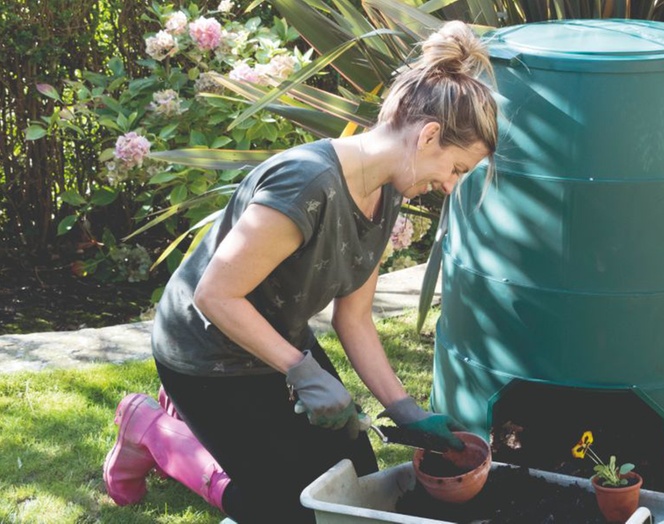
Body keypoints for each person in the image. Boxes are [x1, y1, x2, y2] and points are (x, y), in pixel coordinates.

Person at [102, 20, 498, 523]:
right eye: (456, 169)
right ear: (429, 136)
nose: (449, 186)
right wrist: (301, 370)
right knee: (288, 511)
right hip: (205, 352)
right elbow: (215, 295)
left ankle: (196, 428)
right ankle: (153, 430)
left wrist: (406, 410)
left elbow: (353, 318)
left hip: (273, 338)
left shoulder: (389, 192)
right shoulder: (306, 184)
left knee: (352, 485)